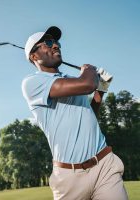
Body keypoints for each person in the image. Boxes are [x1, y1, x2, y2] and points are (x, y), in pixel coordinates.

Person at [22, 26, 128, 200]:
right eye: (48, 43)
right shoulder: (32, 83)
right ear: (34, 56)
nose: (55, 46)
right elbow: (87, 84)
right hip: (69, 177)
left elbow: (89, 115)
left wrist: (100, 90)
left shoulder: (71, 81)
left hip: (104, 165)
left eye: (56, 42)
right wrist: (89, 69)